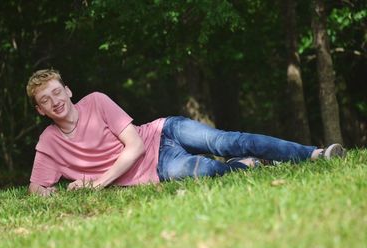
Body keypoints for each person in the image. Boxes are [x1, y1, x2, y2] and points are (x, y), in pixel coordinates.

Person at [26, 69, 346, 196]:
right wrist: (58, 192)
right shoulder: (49, 143)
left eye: (56, 92)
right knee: (206, 169)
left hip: (163, 132)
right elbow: (35, 189)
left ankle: (314, 154)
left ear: (68, 91)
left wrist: (95, 183)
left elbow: (135, 145)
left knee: (229, 141)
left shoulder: (96, 101)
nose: (54, 101)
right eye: (45, 100)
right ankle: (248, 165)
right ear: (40, 110)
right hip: (156, 168)